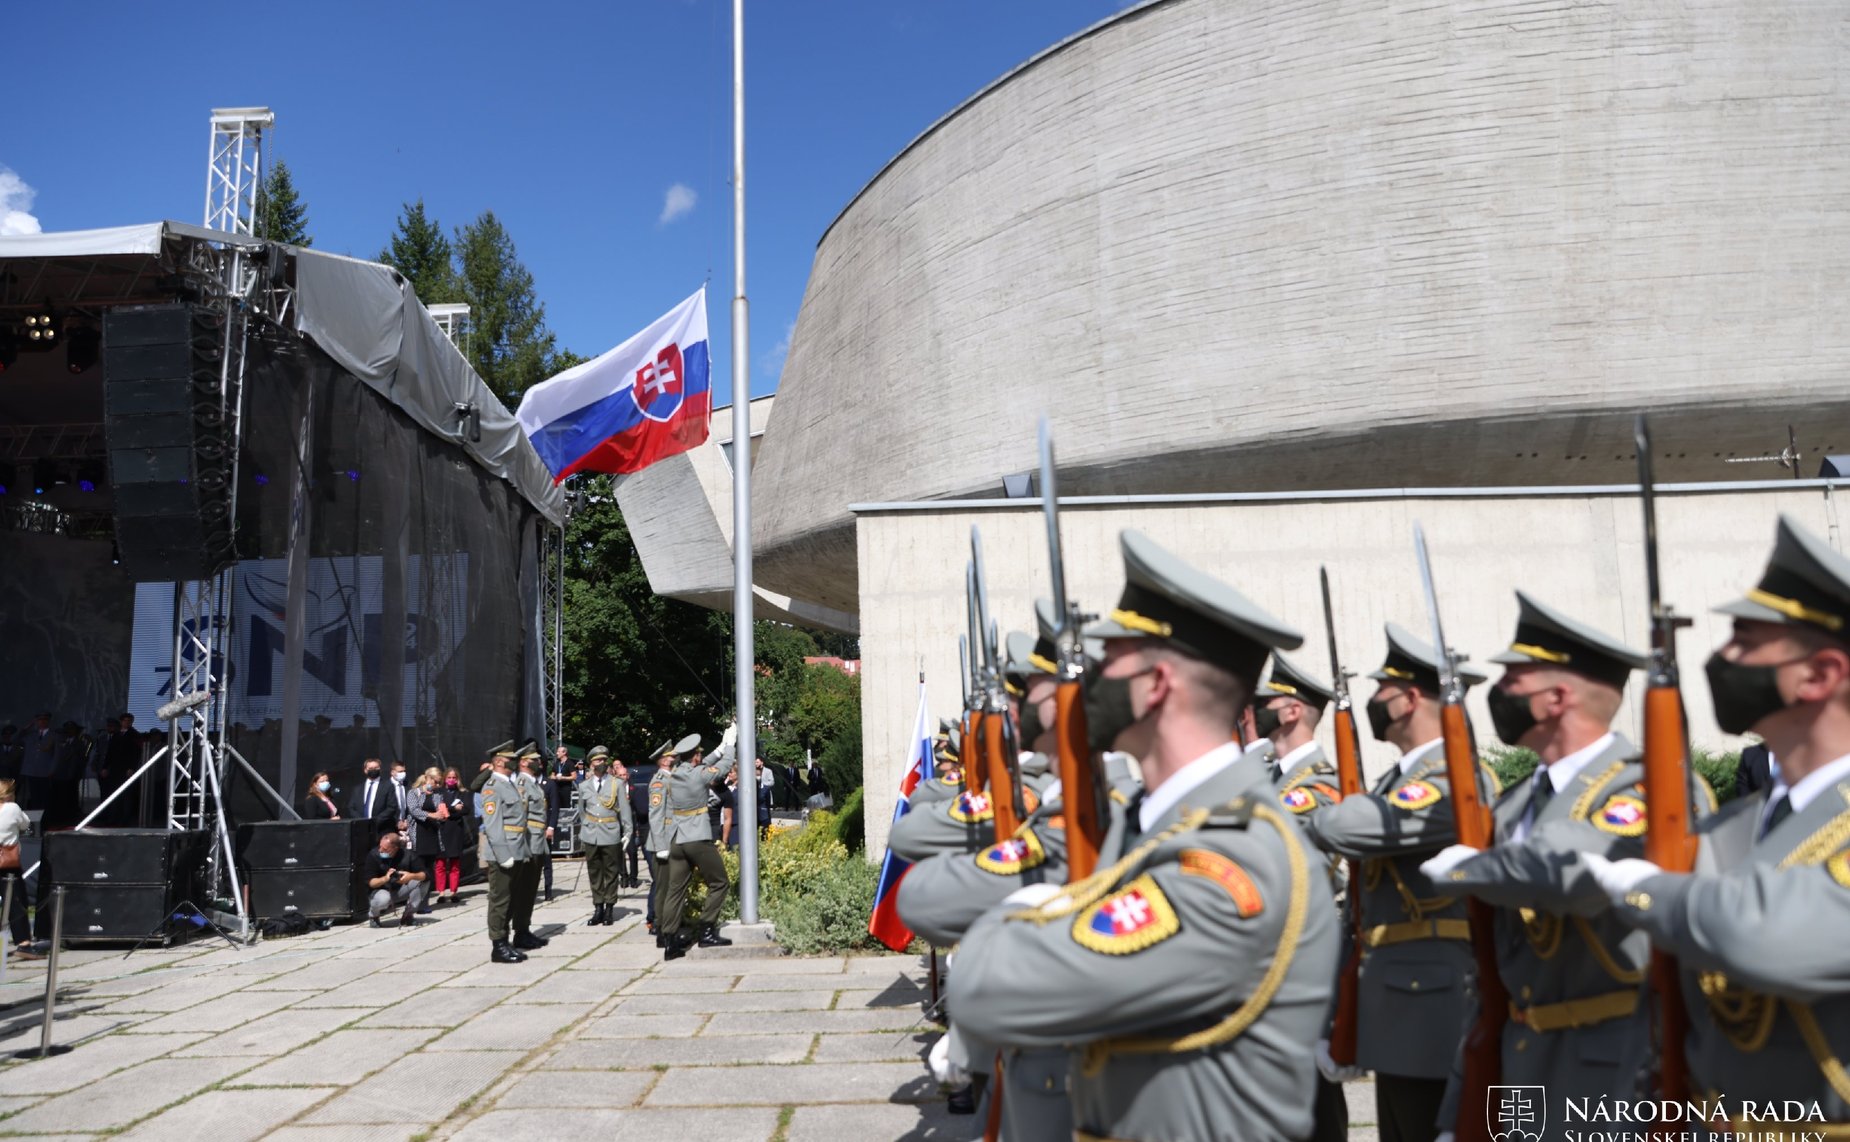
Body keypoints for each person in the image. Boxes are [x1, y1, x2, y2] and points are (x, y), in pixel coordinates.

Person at [948, 529, 1341, 1142]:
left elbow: (988, 989)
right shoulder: (1163, 824)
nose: (1093, 675)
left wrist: (1024, 912)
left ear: (1156, 685)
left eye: (1113, 658)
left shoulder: (1229, 861)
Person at [1567, 515, 1850, 1129]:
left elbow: (1768, 936)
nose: (1722, 657)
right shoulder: (1732, 826)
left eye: (1746, 640)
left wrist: (1641, 889)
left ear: (1821, 675)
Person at [1419, 591, 1670, 1134]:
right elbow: (1490, 972)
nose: (1499, 691)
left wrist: (1468, 868)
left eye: (1514, 679)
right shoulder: (1510, 806)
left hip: (1612, 1066)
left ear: (1557, 696)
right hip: (1522, 1062)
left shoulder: (1645, 788)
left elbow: (1570, 872)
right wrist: (1461, 1111)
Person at [1303, 623, 1495, 1142]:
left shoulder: (1453, 780)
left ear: (1410, 698)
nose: (1374, 700)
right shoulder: (1400, 781)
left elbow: (1343, 826)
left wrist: (1332, 818)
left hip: (1431, 1005)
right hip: (1395, 1001)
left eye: (1381, 690)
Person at [653, 728, 738, 959]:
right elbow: (722, 768)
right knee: (720, 882)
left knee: (675, 890)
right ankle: (707, 931)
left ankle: (670, 942)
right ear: (696, 757)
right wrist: (730, 746)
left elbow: (703, 764)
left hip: (677, 840)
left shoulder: (675, 773)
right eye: (699, 754)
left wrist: (718, 748)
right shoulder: (699, 774)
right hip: (698, 838)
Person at [477, 741, 527, 963]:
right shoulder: (492, 786)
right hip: (503, 851)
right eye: (511, 759)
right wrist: (502, 853)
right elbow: (493, 823)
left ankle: (505, 942)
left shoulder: (509, 784)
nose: (515, 762)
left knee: (511, 898)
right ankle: (498, 945)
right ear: (498, 761)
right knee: (499, 899)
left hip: (515, 848)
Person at [578, 746, 633, 926]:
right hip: (591, 832)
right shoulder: (584, 786)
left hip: (610, 832)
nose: (600, 763)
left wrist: (628, 831)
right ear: (591, 764)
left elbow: (625, 810)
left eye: (602, 760)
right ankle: (598, 908)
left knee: (611, 871)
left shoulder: (616, 783)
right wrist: (585, 828)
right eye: (596, 760)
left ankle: (609, 907)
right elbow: (581, 811)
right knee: (594, 872)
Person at [511, 745, 550, 947]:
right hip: (529, 841)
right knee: (525, 890)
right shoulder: (522, 784)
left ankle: (524, 929)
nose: (538, 761)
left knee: (530, 890)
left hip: (537, 840)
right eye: (533, 759)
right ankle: (520, 932)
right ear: (524, 762)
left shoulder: (533, 783)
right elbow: (521, 817)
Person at [0, 780, 40, 961]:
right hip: (7, 864)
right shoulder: (12, 808)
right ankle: (23, 943)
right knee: (17, 901)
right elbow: (25, 824)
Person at [363, 831, 428, 928]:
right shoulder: (373, 855)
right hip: (380, 890)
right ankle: (374, 916)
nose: (380, 850)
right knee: (384, 899)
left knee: (422, 883)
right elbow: (371, 883)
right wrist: (385, 878)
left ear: (395, 849)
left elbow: (425, 874)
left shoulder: (408, 855)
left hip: (400, 888)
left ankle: (408, 916)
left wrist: (411, 876)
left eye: (385, 849)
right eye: (380, 846)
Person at [628, 741, 666, 897]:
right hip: (648, 832)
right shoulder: (642, 790)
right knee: (657, 874)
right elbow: (644, 811)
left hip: (663, 832)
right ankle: (654, 915)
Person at [406, 768, 444, 914]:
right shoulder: (414, 793)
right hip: (419, 835)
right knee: (418, 869)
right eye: (435, 781)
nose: (437, 785)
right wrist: (432, 815)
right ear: (428, 778)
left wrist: (441, 816)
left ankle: (424, 903)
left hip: (432, 835)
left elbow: (440, 811)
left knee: (428, 871)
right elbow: (414, 810)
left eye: (439, 783)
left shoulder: (437, 795)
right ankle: (413, 902)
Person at [434, 766, 472, 905]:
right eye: (449, 777)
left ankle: (454, 891)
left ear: (458, 779)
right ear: (445, 779)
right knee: (440, 863)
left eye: (454, 778)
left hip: (456, 830)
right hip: (441, 829)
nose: (451, 780)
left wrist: (450, 811)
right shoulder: (439, 792)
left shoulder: (463, 793)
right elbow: (438, 808)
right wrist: (453, 809)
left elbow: (466, 810)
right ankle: (441, 892)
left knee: (455, 863)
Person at [348, 758, 395, 836]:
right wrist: (362, 822)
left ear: (380, 769)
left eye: (376, 768)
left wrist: (375, 821)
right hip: (362, 829)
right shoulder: (358, 789)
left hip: (381, 829)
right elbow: (351, 807)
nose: (373, 770)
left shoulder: (388, 786)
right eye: (370, 768)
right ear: (365, 770)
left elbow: (392, 807)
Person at [22, 713, 55, 813]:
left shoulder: (53, 735)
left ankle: (44, 820)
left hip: (45, 771)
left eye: (45, 719)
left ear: (48, 721)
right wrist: (26, 728)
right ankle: (36, 822)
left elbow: (57, 755)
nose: (42, 722)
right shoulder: (31, 735)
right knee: (34, 797)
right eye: (40, 720)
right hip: (32, 771)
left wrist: (52, 769)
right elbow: (15, 740)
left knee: (44, 798)